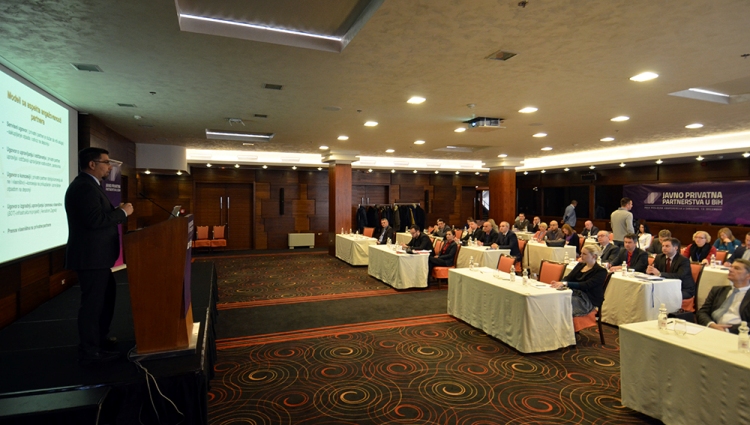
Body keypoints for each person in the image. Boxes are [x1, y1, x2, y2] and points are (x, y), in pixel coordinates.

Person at [65, 147, 133, 365]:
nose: (110, 167)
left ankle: (99, 340)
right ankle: (90, 350)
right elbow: (94, 221)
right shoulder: (84, 187)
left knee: (105, 299)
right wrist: (122, 213)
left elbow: (97, 216)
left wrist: (116, 211)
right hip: (91, 257)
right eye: (105, 162)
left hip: (98, 257)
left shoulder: (90, 186)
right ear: (92, 164)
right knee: (93, 305)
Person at [549, 245, 608, 316]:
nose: (581, 255)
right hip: (575, 293)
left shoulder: (601, 271)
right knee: (554, 297)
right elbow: (568, 278)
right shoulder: (580, 265)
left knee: (562, 302)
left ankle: (562, 321)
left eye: (584, 254)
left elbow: (586, 285)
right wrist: (560, 283)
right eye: (581, 253)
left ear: (594, 256)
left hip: (587, 299)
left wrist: (565, 283)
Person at [696, 259, 750, 334]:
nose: (730, 269)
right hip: (711, 329)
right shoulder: (718, 290)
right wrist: (711, 324)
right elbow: (702, 312)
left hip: (737, 334)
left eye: (737, 268)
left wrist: (727, 330)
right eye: (731, 267)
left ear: (748, 276)